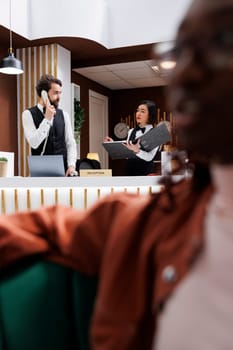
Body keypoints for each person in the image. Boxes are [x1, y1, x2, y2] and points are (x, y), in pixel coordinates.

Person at [0, 0, 233, 349]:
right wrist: (115, 143)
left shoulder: (151, 144)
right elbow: (46, 207)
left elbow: (79, 147)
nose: (188, 71)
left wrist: (74, 162)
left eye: (218, 43)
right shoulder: (149, 220)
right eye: (182, 51)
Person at [22, 74, 77, 176]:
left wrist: (71, 165)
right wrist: (47, 119)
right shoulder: (28, 114)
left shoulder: (64, 115)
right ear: (44, 93)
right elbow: (34, 143)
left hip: (64, 172)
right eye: (56, 93)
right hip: (40, 173)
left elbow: (70, 143)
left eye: (60, 93)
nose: (59, 97)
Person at [104, 100, 159, 175]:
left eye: (142, 111)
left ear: (150, 115)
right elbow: (127, 154)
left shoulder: (155, 133)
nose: (138, 114)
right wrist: (113, 144)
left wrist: (138, 151)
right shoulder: (131, 131)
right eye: (137, 111)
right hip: (129, 171)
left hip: (145, 173)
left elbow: (150, 157)